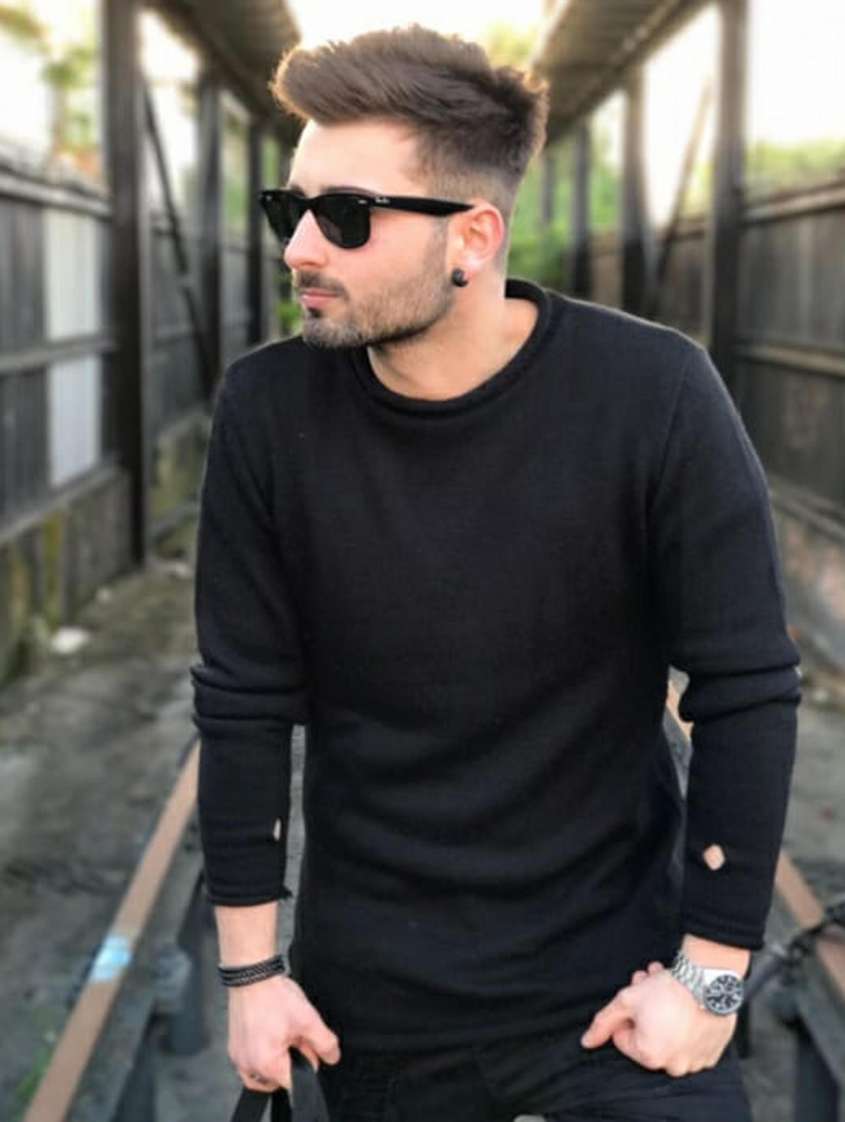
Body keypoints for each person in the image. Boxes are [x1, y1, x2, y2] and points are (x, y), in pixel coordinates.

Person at [190, 24, 801, 1122]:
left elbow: (745, 683)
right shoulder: (268, 411)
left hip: (618, 993)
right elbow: (243, 699)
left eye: (345, 216)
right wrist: (250, 974)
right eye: (292, 211)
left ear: (471, 235)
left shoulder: (651, 394)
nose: (299, 251)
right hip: (376, 1009)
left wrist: (710, 975)